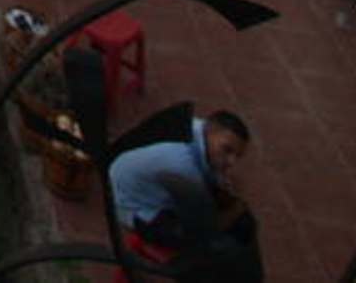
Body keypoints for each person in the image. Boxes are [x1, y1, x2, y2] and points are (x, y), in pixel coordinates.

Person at [107, 110, 261, 282]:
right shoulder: (182, 164)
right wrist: (236, 209)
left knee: (238, 221)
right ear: (211, 131)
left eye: (237, 156)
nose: (231, 162)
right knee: (212, 248)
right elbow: (204, 228)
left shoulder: (197, 128)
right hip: (136, 210)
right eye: (227, 150)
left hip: (144, 186)